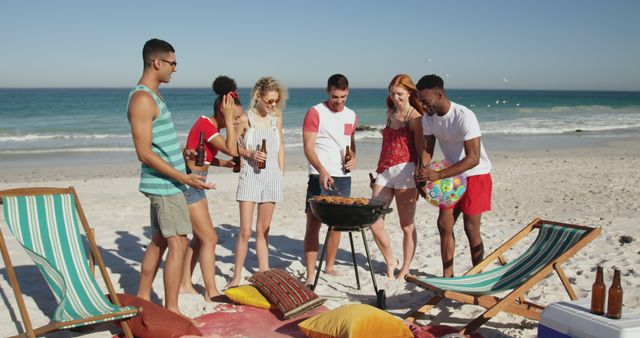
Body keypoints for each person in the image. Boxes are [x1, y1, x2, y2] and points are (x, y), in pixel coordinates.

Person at [127, 38, 214, 316]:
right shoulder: (142, 98)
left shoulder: (153, 96)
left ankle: (142, 296)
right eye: (173, 63)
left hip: (169, 181)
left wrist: (181, 152)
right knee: (178, 242)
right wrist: (182, 177)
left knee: (160, 241)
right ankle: (172, 309)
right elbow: (143, 153)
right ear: (157, 62)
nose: (175, 69)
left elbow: (157, 146)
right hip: (164, 185)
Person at [415, 74, 493, 278]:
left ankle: (478, 275)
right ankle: (447, 276)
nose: (423, 106)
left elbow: (473, 158)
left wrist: (438, 175)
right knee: (444, 224)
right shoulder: (428, 118)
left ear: (439, 94)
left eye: (426, 101)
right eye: (421, 102)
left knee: (471, 228)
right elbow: (426, 149)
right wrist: (422, 173)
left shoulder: (464, 116)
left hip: (476, 174)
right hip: (451, 176)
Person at [179, 76, 243, 301]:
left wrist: (223, 164)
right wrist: (231, 122)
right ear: (221, 110)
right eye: (233, 117)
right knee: (210, 239)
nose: (235, 122)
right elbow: (232, 148)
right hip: (190, 183)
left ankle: (185, 283)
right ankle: (211, 291)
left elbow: (204, 157)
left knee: (199, 238)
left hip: (197, 179)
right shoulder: (206, 124)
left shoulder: (208, 126)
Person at [225, 76, 286, 288]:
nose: (273, 105)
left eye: (276, 101)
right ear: (258, 97)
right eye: (269, 101)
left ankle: (264, 273)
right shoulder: (245, 119)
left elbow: (280, 146)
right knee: (244, 231)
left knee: (264, 230)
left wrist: (281, 172)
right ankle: (236, 276)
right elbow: (231, 147)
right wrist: (249, 153)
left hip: (271, 177)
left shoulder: (275, 118)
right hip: (250, 177)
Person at [302, 74, 357, 285]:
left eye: (343, 97)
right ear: (328, 91)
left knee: (338, 226)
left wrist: (354, 158)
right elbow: (308, 148)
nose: (339, 101)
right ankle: (309, 274)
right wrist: (322, 170)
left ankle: (329, 266)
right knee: (313, 223)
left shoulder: (352, 115)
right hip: (318, 175)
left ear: (348, 92)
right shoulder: (315, 112)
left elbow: (350, 143)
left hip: (343, 176)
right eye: (335, 97)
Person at [368, 74, 424, 280]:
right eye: (392, 94)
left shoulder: (415, 117)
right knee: (373, 220)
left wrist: (421, 178)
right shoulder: (390, 112)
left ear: (409, 92)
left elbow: (420, 149)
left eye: (399, 94)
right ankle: (391, 260)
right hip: (384, 170)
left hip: (406, 172)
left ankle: (406, 267)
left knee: (406, 225)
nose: (395, 98)